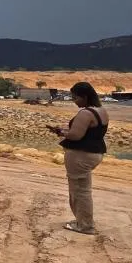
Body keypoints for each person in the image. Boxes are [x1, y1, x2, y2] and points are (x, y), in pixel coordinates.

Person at [52, 82, 108, 235]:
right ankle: (83, 221)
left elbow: (76, 135)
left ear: (85, 97)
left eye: (75, 97)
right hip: (94, 153)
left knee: (79, 191)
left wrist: (62, 132)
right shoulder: (101, 111)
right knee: (83, 189)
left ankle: (85, 225)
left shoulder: (85, 113)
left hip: (80, 155)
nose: (74, 101)